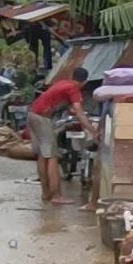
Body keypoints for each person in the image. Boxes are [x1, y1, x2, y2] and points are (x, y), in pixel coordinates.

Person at [28, 68, 96, 205]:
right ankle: (56, 196)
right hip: (43, 119)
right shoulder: (74, 89)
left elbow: (62, 104)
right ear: (85, 82)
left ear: (72, 75)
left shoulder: (62, 83)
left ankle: (46, 193)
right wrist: (93, 130)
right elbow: (79, 112)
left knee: (42, 156)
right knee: (53, 157)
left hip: (32, 115)